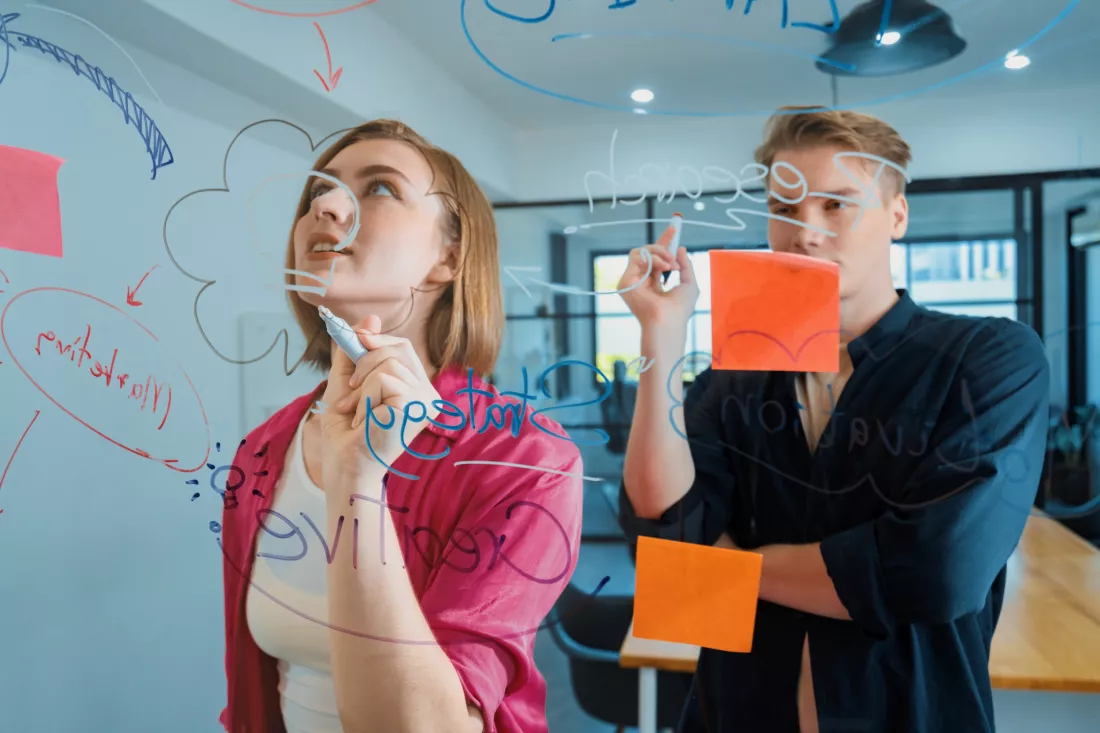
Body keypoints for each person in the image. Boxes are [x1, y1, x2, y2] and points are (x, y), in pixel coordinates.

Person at [617, 106, 1050, 733]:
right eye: (785, 210)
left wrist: (731, 571)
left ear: (897, 214)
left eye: (836, 205)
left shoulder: (987, 357)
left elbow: (937, 573)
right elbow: (663, 543)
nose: (806, 234)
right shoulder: (729, 379)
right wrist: (661, 334)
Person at [217, 120, 583, 733]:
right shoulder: (262, 451)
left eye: (380, 188)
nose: (325, 208)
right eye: (318, 194)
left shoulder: (525, 459)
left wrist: (357, 478)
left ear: (450, 256)